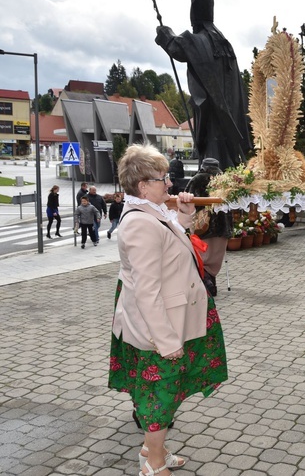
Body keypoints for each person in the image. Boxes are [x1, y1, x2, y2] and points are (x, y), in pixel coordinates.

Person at [108, 143, 228, 476]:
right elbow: (147, 291)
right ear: (143, 185)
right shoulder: (141, 224)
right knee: (159, 398)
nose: (170, 184)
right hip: (160, 329)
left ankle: (151, 448)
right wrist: (166, 340)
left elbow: (175, 237)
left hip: (172, 319)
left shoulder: (153, 214)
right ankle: (153, 464)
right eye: (163, 179)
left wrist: (185, 215)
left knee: (168, 391)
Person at [155, 0, 251, 171]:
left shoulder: (198, 40)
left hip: (213, 112)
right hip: (230, 114)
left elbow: (177, 48)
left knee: (214, 152)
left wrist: (164, 32)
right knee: (227, 154)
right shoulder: (225, 44)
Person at [185, 158, 232, 296]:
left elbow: (188, 199)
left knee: (202, 257)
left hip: (202, 226)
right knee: (215, 258)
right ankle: (211, 283)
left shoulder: (197, 179)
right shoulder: (226, 181)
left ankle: (205, 284)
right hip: (222, 226)